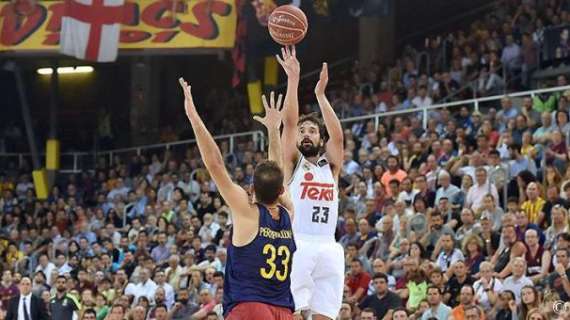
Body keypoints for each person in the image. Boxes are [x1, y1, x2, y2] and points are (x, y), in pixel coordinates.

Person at [179, 79, 295, 319]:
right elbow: (277, 168)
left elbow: (215, 164)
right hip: (283, 310)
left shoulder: (247, 211)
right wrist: (274, 129)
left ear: (251, 189)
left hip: (250, 306)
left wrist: (194, 118)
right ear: (281, 190)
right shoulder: (288, 211)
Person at [277, 46, 345, 320]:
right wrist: (293, 80)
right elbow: (290, 123)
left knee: (326, 315)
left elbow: (338, 138)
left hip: (329, 245)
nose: (306, 134)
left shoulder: (331, 167)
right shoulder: (293, 163)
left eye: (313, 131)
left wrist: (320, 95)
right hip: (299, 242)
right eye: (303, 131)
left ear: (320, 138)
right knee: (293, 312)